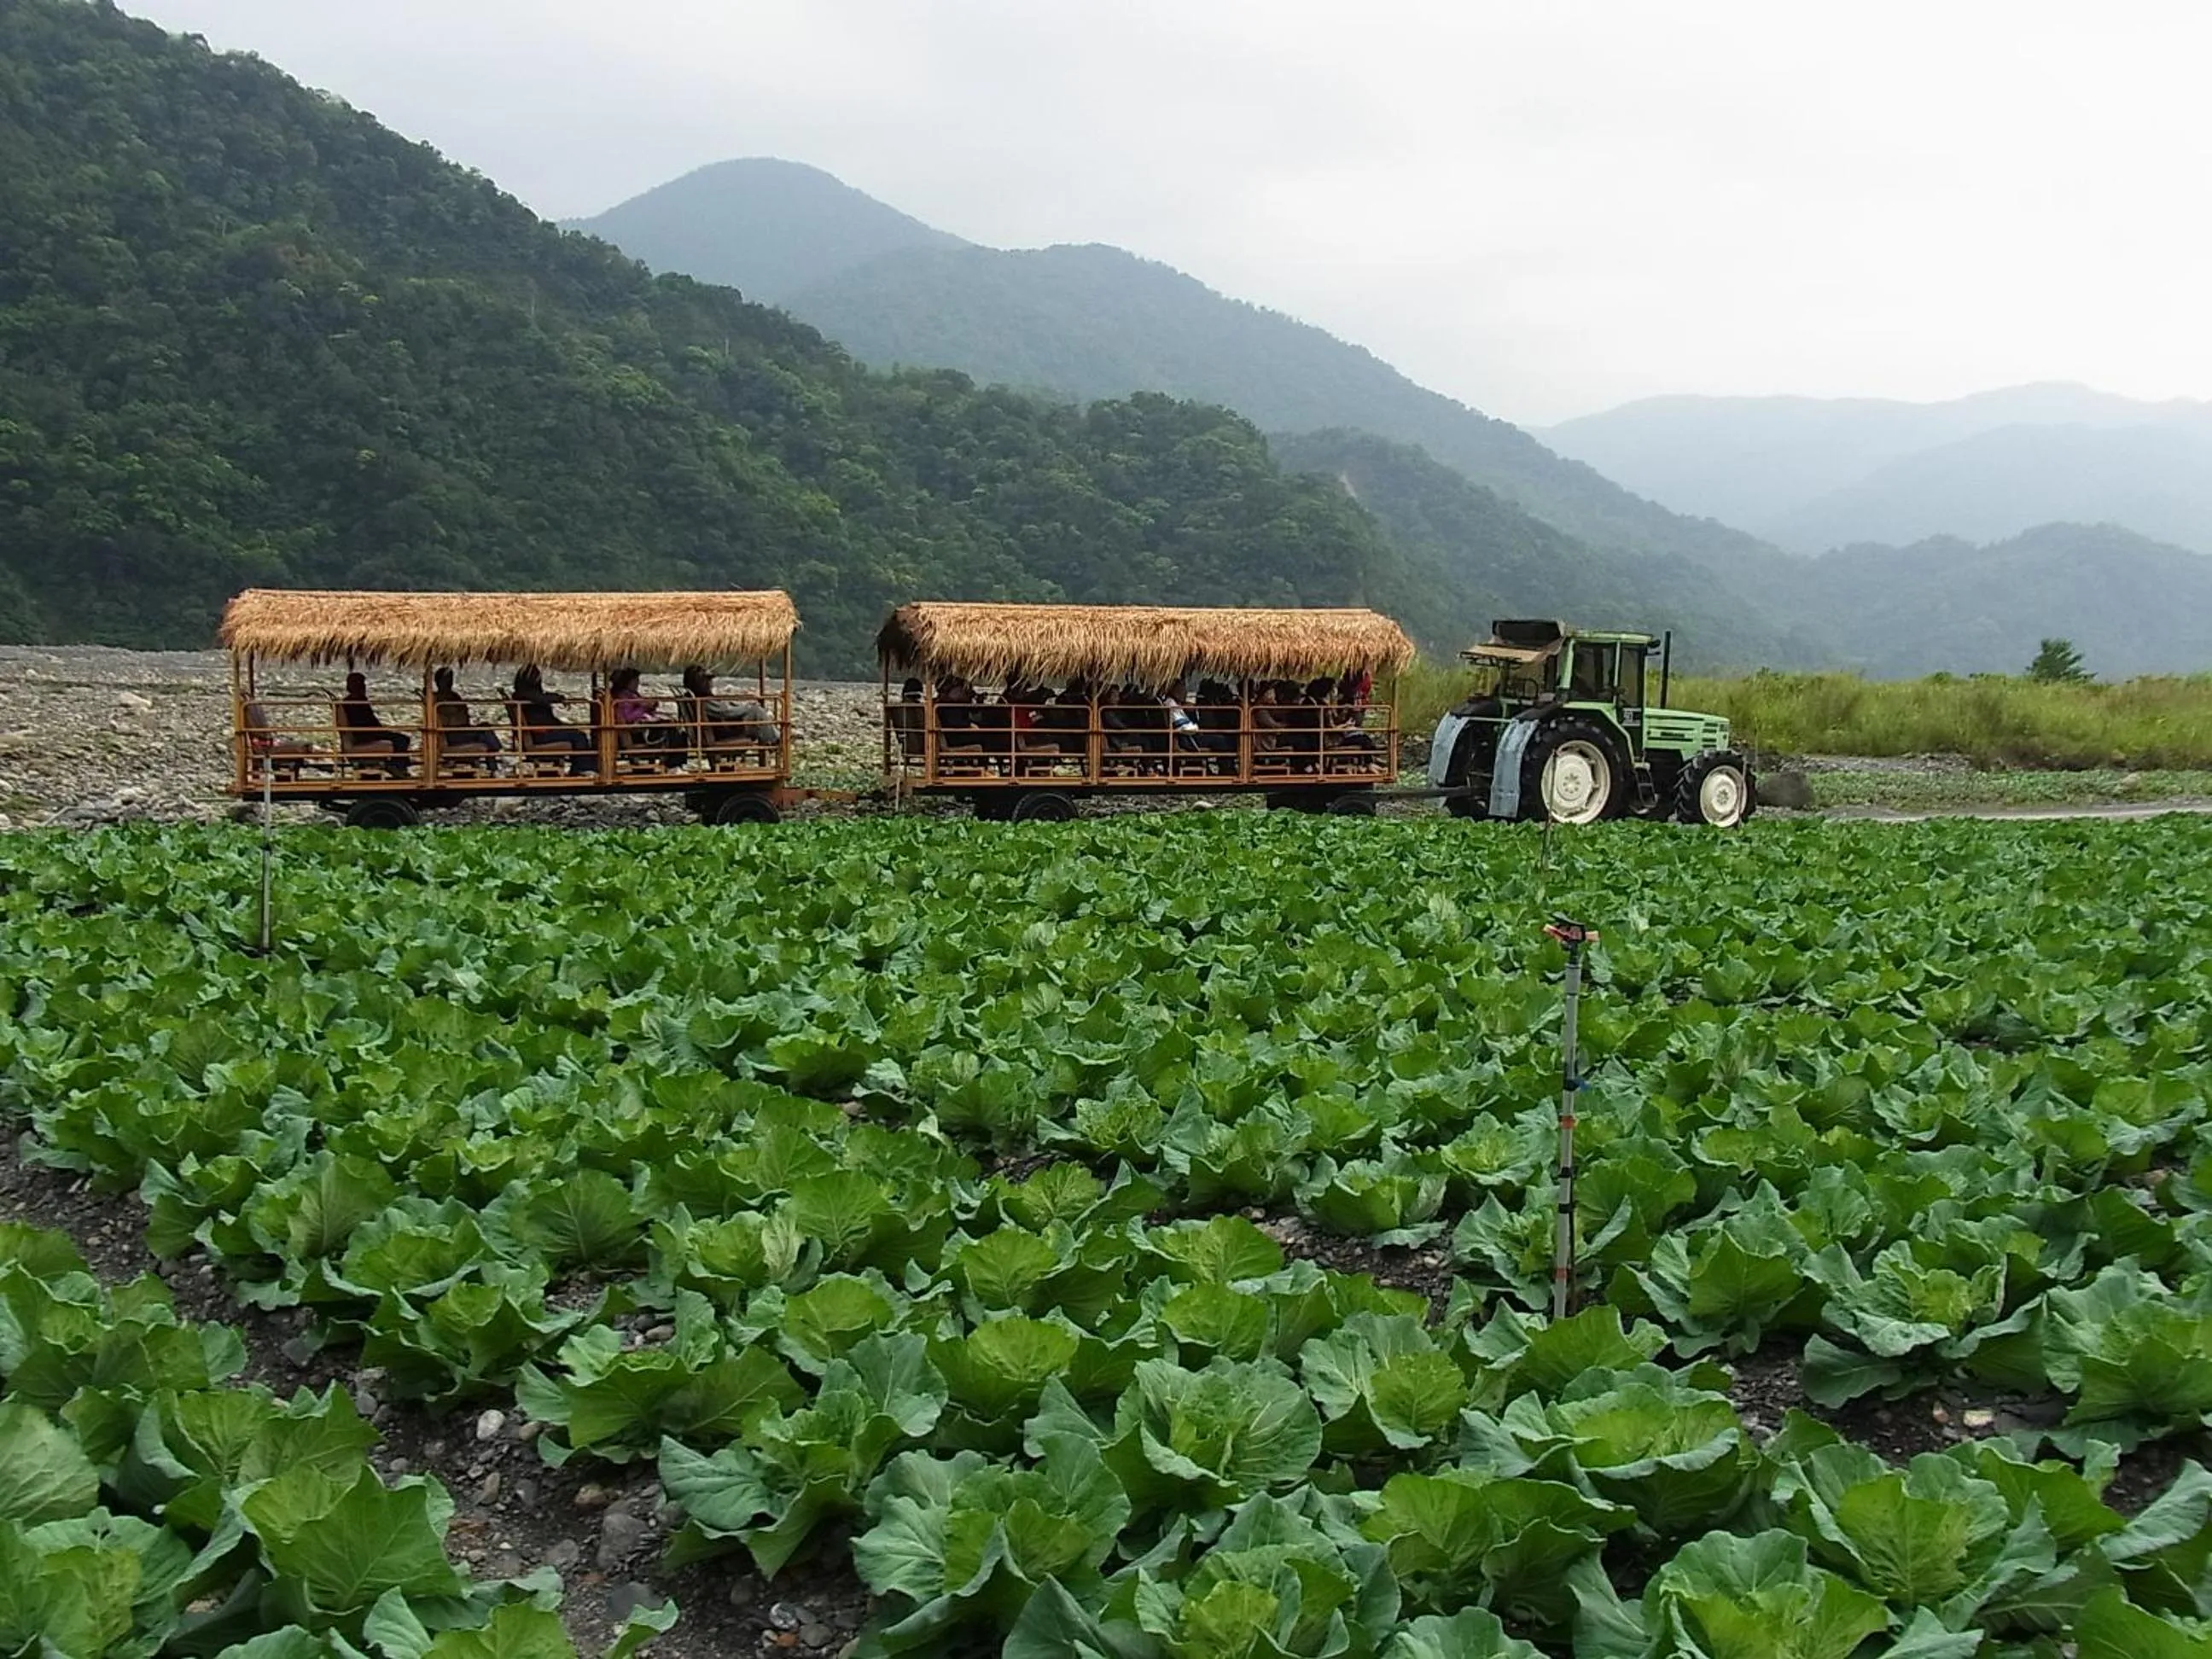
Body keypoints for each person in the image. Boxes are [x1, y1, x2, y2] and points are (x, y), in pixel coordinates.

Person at [682, 667, 782, 760]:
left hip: (720, 730)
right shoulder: (704, 701)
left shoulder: (700, 700)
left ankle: (774, 740)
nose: (711, 683)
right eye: (708, 680)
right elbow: (727, 711)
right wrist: (748, 707)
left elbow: (725, 708)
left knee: (757, 714)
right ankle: (776, 741)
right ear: (701, 683)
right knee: (757, 712)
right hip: (723, 733)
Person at [510, 665, 594, 776]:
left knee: (576, 733)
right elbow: (541, 698)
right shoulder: (526, 696)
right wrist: (557, 698)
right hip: (542, 736)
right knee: (579, 737)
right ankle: (583, 768)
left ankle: (581, 768)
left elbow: (542, 697)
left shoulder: (522, 695)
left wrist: (555, 697)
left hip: (542, 733)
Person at [335, 672, 410, 777]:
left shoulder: (358, 701)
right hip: (364, 735)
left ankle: (399, 766)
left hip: (368, 732)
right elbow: (365, 721)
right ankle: (397, 767)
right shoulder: (354, 703)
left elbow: (371, 720)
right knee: (401, 739)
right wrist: (380, 730)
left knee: (402, 739)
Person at [609, 667, 682, 765]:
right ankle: (672, 762)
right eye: (635, 681)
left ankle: (669, 760)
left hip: (638, 725)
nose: (637, 683)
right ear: (628, 682)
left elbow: (644, 704)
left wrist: (647, 707)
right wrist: (644, 709)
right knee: (670, 729)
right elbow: (629, 715)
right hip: (634, 728)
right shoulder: (624, 696)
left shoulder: (630, 695)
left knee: (670, 726)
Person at [433, 667, 500, 769]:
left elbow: (463, 714)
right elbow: (452, 715)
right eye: (446, 680)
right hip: (452, 734)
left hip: (462, 730)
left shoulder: (454, 696)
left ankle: (494, 763)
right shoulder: (438, 698)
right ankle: (496, 752)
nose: (449, 682)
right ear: (439, 681)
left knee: (485, 728)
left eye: (450, 679)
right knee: (485, 731)